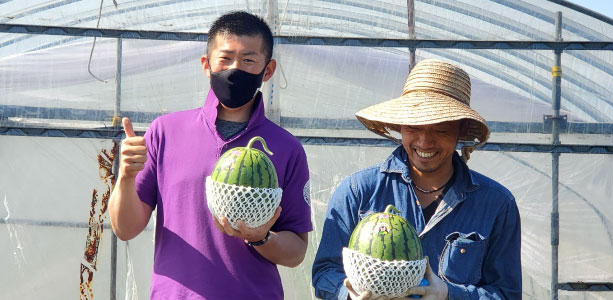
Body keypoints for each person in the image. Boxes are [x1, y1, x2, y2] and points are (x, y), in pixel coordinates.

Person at [109, 11, 312, 300]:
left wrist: (262, 237)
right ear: (207, 65)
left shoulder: (287, 148)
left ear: (268, 71)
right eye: (225, 58)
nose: (235, 68)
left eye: (249, 60)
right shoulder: (164, 132)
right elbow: (125, 228)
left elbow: (296, 252)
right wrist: (126, 177)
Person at [312, 59, 521, 300]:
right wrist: (349, 294)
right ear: (400, 126)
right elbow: (325, 273)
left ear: (461, 131)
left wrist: (448, 294)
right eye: (413, 127)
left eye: (440, 129)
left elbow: (506, 294)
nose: (424, 142)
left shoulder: (496, 204)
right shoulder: (358, 192)